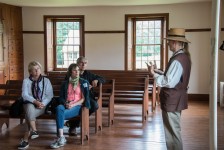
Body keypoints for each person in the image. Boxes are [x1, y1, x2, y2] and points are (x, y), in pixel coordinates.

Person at [147, 28, 191, 150]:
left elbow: (168, 82)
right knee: (172, 130)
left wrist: (153, 74)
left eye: (169, 41)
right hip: (175, 98)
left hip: (172, 99)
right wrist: (158, 71)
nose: (167, 43)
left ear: (175, 42)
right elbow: (172, 77)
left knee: (173, 132)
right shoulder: (182, 57)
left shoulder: (178, 60)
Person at [50, 63, 91, 149]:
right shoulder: (65, 83)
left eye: (78, 70)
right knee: (59, 108)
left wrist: (72, 105)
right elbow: (61, 97)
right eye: (75, 70)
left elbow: (84, 99)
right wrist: (66, 103)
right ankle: (61, 137)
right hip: (66, 105)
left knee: (59, 114)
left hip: (78, 106)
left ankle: (59, 138)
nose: (77, 72)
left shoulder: (84, 82)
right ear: (70, 72)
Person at [18, 61, 53, 149]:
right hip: (29, 104)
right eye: (34, 70)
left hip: (42, 106)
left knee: (28, 114)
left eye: (38, 69)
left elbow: (49, 95)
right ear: (30, 72)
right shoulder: (26, 81)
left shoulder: (46, 80)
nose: (37, 71)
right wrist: (34, 101)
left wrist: (42, 103)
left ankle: (25, 140)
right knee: (29, 107)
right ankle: (34, 130)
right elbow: (24, 95)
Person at [66, 56, 105, 136]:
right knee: (74, 106)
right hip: (74, 97)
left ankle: (74, 123)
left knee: (94, 105)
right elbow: (67, 85)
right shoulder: (71, 73)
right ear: (77, 64)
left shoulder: (88, 74)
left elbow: (103, 79)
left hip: (87, 97)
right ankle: (73, 126)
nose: (83, 65)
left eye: (85, 63)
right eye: (81, 63)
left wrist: (97, 80)